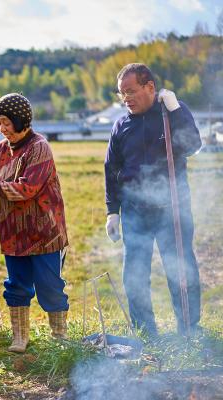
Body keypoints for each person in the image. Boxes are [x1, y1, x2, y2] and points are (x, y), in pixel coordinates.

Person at [104, 63, 202, 336]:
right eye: (122, 93)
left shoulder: (172, 113)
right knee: (133, 275)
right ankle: (145, 331)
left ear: (150, 87)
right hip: (135, 211)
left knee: (181, 268)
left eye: (131, 91)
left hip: (173, 208)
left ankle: (189, 327)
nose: (126, 98)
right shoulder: (121, 124)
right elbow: (111, 169)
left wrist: (176, 109)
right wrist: (112, 211)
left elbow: (192, 145)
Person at [0, 93, 69, 353]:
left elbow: (28, 188)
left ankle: (59, 337)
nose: (2, 128)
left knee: (50, 286)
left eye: (6, 122)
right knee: (17, 284)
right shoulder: (2, 149)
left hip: (43, 231)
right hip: (14, 231)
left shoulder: (39, 147)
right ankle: (20, 338)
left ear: (21, 120)